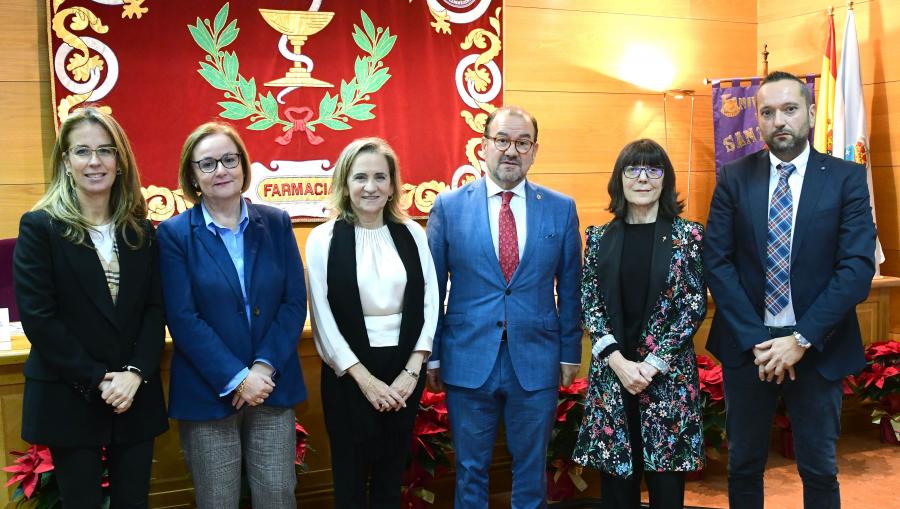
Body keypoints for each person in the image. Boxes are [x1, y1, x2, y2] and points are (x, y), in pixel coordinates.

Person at [704, 71, 877, 509]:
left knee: (819, 469)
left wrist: (800, 339)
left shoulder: (846, 179)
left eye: (789, 109)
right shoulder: (734, 177)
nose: (779, 120)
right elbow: (717, 261)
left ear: (811, 114)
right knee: (743, 466)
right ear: (758, 121)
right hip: (750, 349)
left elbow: (856, 268)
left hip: (819, 346)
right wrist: (760, 342)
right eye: (767, 112)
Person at [426, 106, 582, 508]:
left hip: (536, 359)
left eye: (522, 142)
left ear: (534, 151)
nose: (511, 151)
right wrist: (433, 356)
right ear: (484, 146)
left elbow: (570, 286)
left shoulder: (560, 207)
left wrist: (569, 351)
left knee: (531, 472)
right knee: (471, 472)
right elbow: (432, 289)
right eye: (502, 140)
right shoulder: (449, 206)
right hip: (467, 359)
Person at [13, 107, 168, 508]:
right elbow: (39, 318)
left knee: (134, 501)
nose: (95, 161)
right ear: (66, 161)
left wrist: (134, 374)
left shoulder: (140, 229)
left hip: (134, 393)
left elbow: (155, 309)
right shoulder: (40, 227)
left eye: (105, 150)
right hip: (71, 392)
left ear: (120, 161)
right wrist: (100, 379)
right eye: (82, 151)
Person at [157, 123, 307, 509]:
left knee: (277, 494)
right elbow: (183, 317)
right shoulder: (174, 234)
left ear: (243, 165)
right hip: (209, 391)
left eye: (228, 159)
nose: (220, 170)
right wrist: (237, 377)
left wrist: (262, 368)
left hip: (270, 387)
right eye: (207, 164)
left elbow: (293, 303)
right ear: (192, 175)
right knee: (217, 500)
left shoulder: (275, 222)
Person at [572, 139, 706, 509]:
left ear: (666, 179)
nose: (642, 178)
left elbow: (692, 307)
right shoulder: (599, 238)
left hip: (666, 381)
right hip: (613, 382)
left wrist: (650, 365)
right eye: (633, 169)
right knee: (617, 493)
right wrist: (618, 362)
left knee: (666, 494)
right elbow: (590, 304)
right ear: (620, 179)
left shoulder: (688, 236)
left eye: (653, 169)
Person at [306, 137, 438, 508]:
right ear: (344, 184)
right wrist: (365, 381)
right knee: (349, 482)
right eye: (360, 177)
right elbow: (322, 317)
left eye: (381, 177)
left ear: (393, 184)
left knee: (390, 480)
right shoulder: (323, 239)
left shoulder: (412, 233)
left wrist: (411, 372)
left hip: (402, 374)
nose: (370, 186)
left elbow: (430, 303)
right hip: (348, 376)